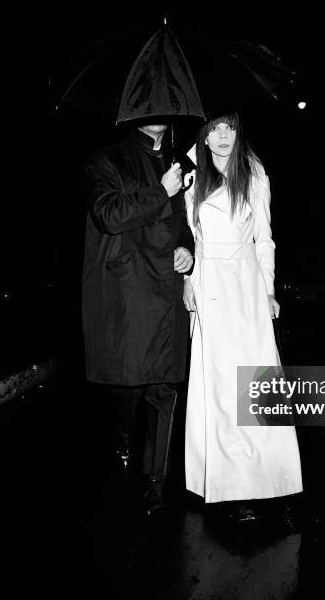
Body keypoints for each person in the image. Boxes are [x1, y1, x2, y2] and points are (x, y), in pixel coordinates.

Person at [182, 112, 303, 521]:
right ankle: (228, 484)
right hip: (208, 283)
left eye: (229, 128)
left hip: (246, 287)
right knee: (215, 387)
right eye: (214, 128)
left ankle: (271, 476)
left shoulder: (254, 173)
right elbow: (188, 238)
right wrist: (188, 280)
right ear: (202, 133)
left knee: (254, 381)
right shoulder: (189, 175)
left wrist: (268, 290)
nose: (221, 136)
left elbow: (264, 237)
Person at [82, 120, 194, 515]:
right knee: (128, 386)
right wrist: (161, 190)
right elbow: (108, 214)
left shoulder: (181, 162)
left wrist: (187, 248)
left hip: (167, 288)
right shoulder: (107, 158)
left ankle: (155, 481)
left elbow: (186, 222)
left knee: (163, 387)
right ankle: (124, 436)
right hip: (128, 291)